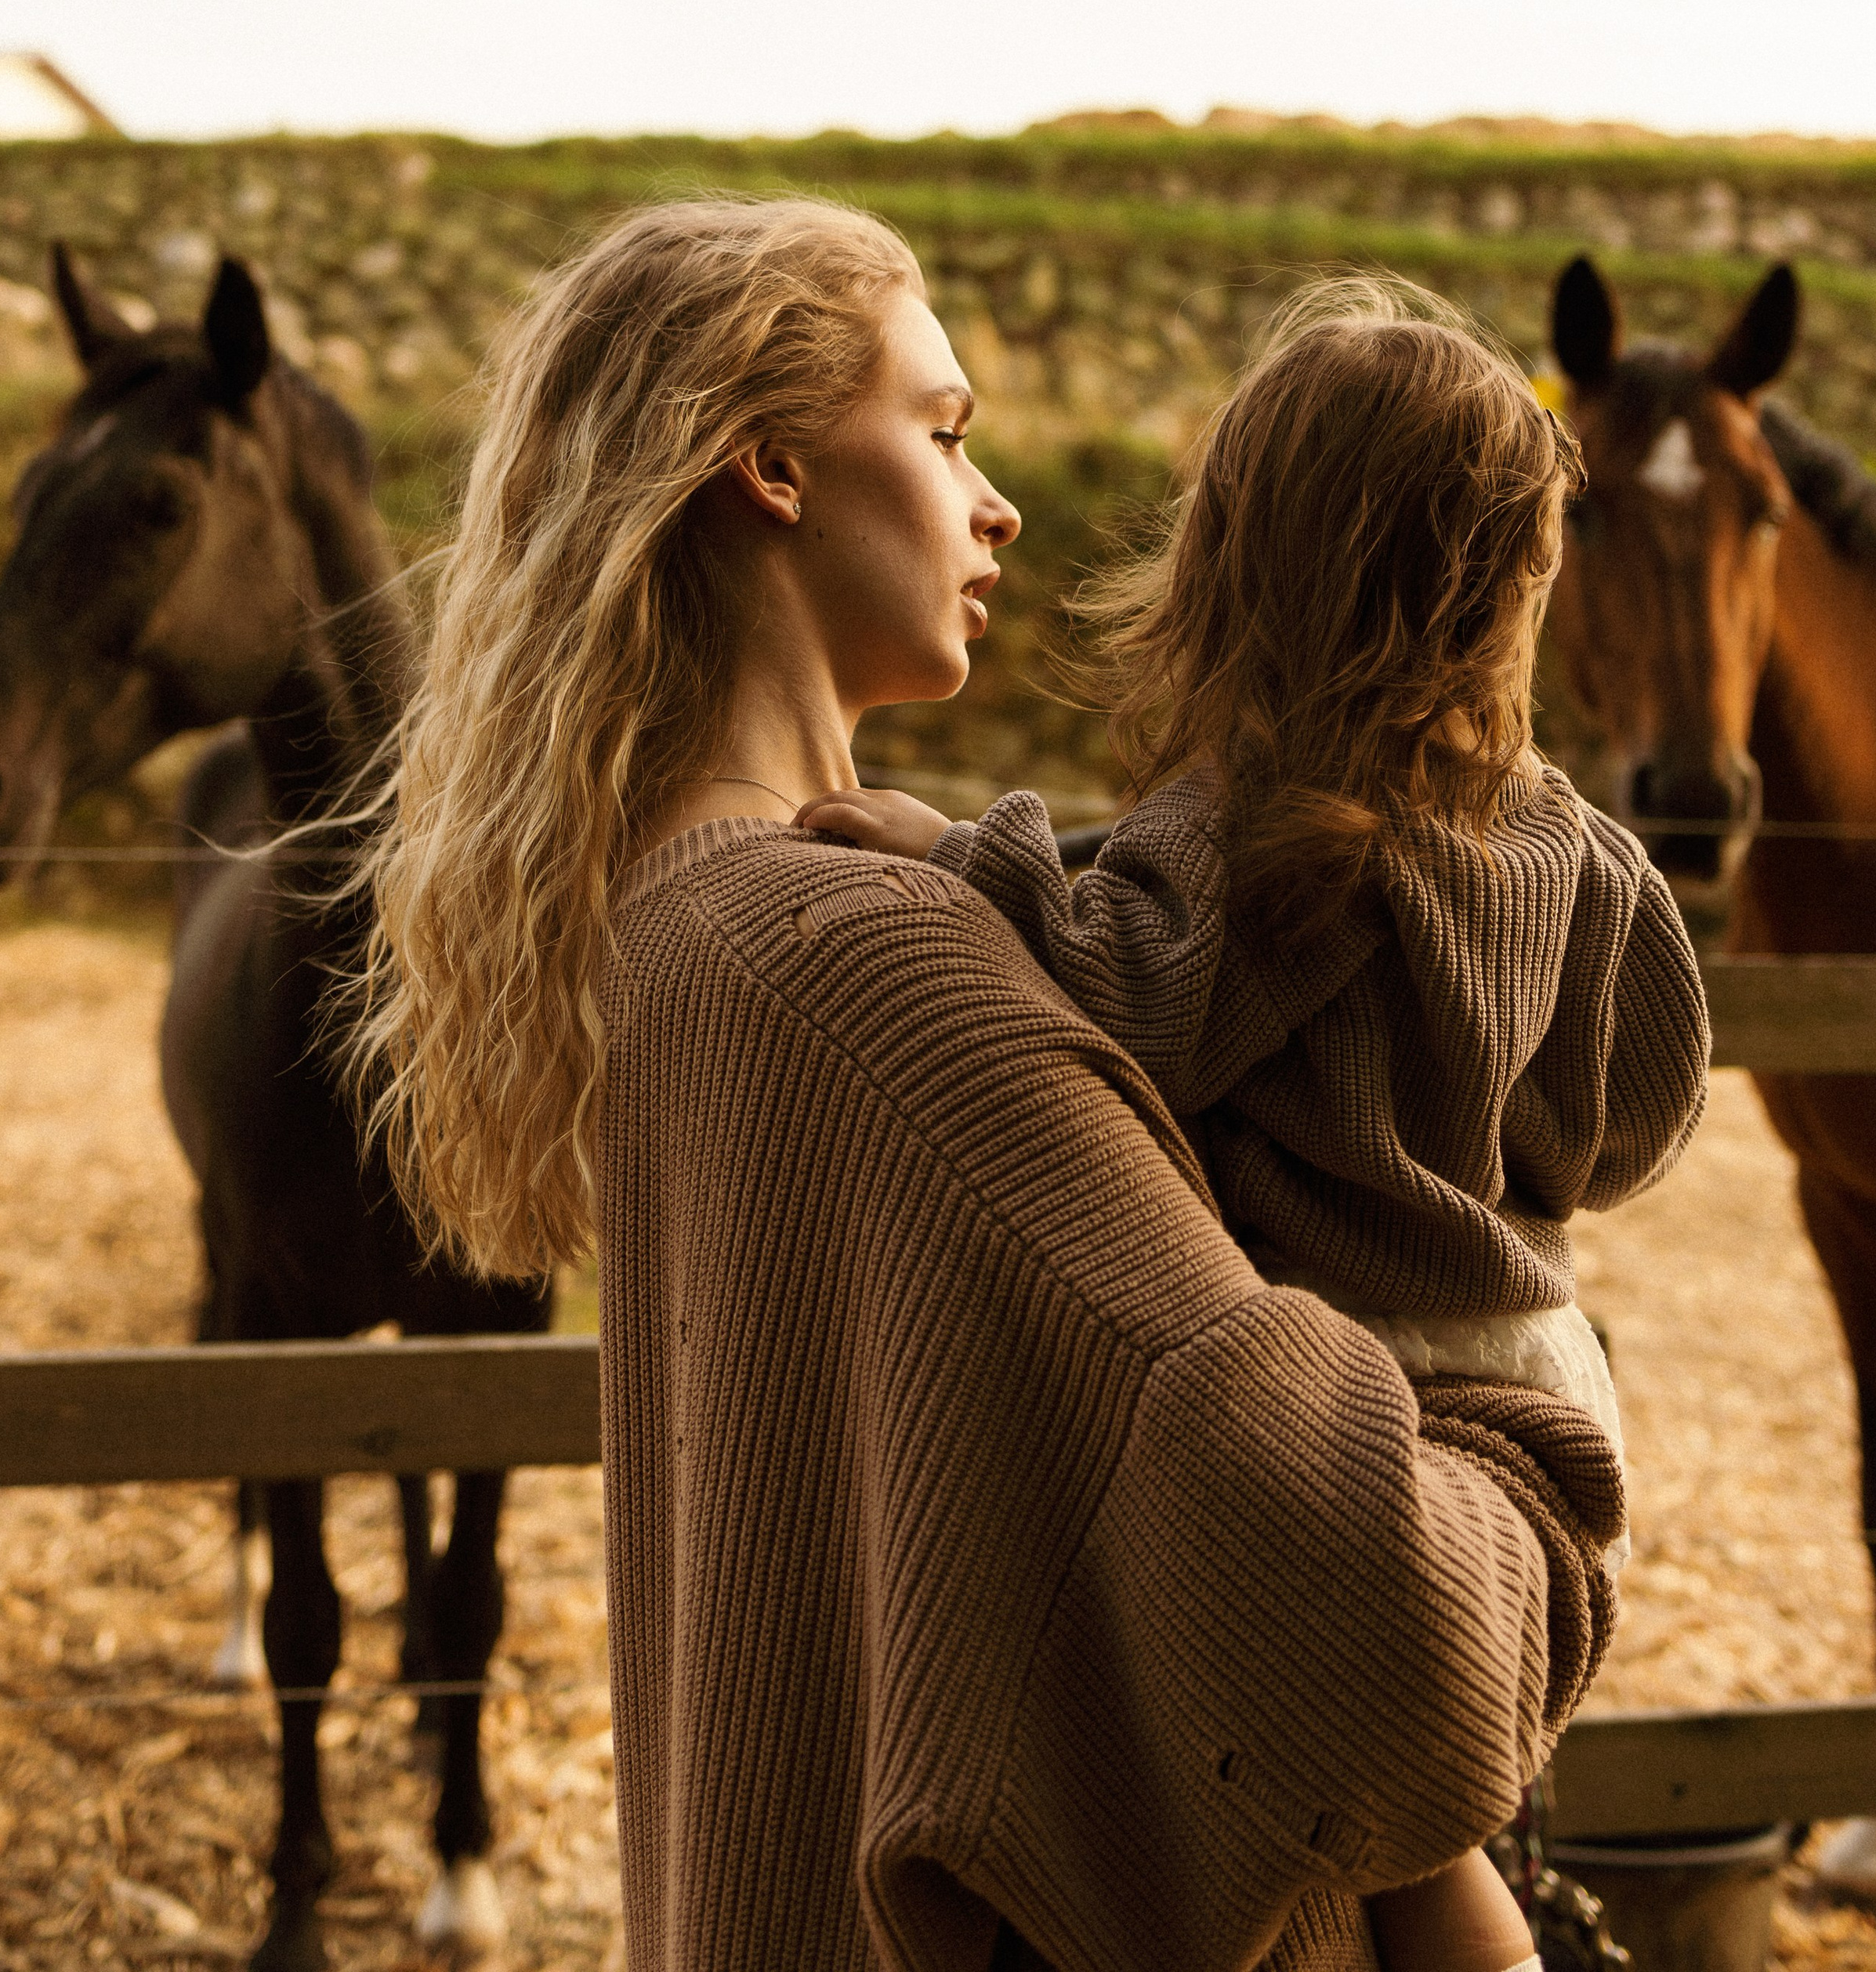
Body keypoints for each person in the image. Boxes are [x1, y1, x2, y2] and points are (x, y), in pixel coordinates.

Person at [357, 204, 1628, 1972]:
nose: (1000, 501)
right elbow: (1393, 1650)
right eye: (942, 432)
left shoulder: (683, 930)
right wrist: (1546, 1467)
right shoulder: (874, 975)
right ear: (770, 464)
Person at [802, 277, 1711, 1972]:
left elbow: (1111, 996)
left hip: (1348, 1378)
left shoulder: (1236, 843)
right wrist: (1509, 1161)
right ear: (1513, 585)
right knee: (1430, 1810)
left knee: (1363, 1819)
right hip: (1535, 1355)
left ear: (1233, 564)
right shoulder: (1571, 847)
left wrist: (958, 856)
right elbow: (1644, 1100)